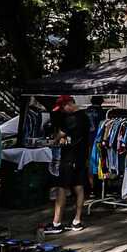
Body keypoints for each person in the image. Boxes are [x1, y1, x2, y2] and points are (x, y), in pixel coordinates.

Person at [44, 96, 91, 234]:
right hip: (80, 157)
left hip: (70, 157)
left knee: (61, 188)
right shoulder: (84, 116)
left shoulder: (73, 118)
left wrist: (54, 141)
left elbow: (60, 135)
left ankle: (56, 223)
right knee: (79, 187)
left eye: (63, 108)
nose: (63, 112)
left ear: (69, 104)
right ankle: (77, 221)